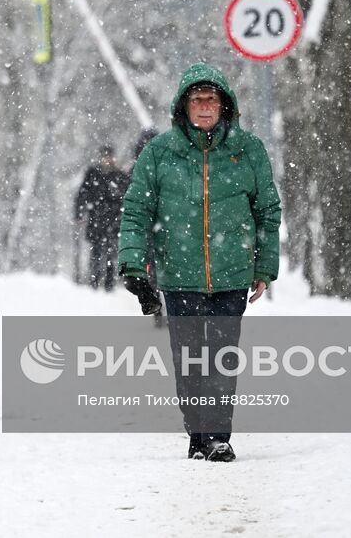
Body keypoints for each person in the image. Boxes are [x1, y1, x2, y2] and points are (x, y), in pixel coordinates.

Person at [118, 63, 281, 462]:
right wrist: (134, 267)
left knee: (222, 357)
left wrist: (263, 269)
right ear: (183, 107)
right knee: (190, 361)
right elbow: (136, 211)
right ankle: (199, 433)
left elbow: (267, 211)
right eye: (197, 99)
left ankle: (218, 437)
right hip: (180, 276)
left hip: (231, 274)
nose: (205, 106)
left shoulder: (249, 152)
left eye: (211, 99)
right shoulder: (160, 154)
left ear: (224, 106)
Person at [74, 145, 127, 291]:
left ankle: (109, 285)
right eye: (104, 156)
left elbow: (125, 198)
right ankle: (94, 282)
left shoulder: (119, 176)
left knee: (111, 254)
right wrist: (79, 213)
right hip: (96, 220)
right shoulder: (93, 174)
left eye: (109, 156)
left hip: (113, 221)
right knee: (96, 253)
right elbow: (82, 194)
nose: (106, 160)